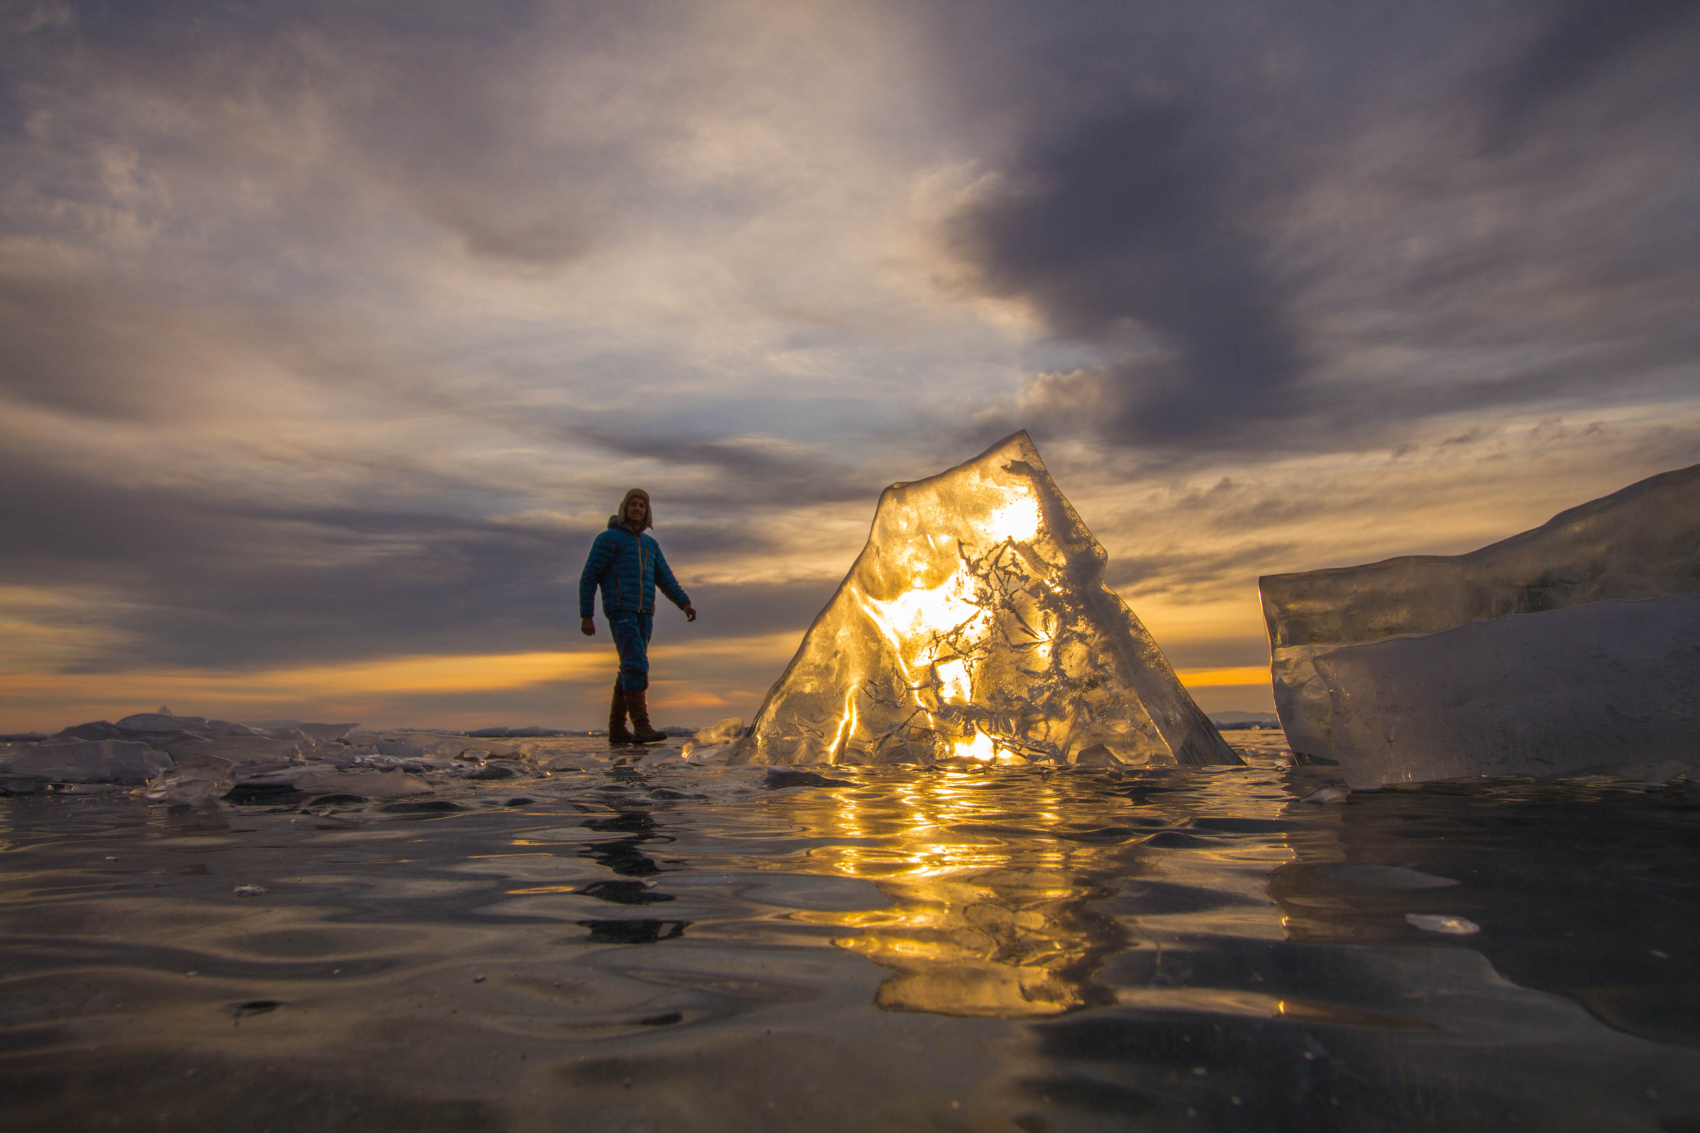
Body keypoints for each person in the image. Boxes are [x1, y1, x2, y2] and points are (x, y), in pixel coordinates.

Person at [579, 488, 697, 744]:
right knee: (635, 664)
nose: (637, 509)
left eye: (642, 506)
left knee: (629, 668)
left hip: (645, 612)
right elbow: (590, 576)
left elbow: (665, 578)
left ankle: (617, 729)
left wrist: (684, 603)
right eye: (633, 504)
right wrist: (586, 615)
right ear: (624, 508)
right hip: (621, 608)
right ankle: (641, 725)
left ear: (647, 512)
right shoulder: (608, 539)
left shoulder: (650, 545)